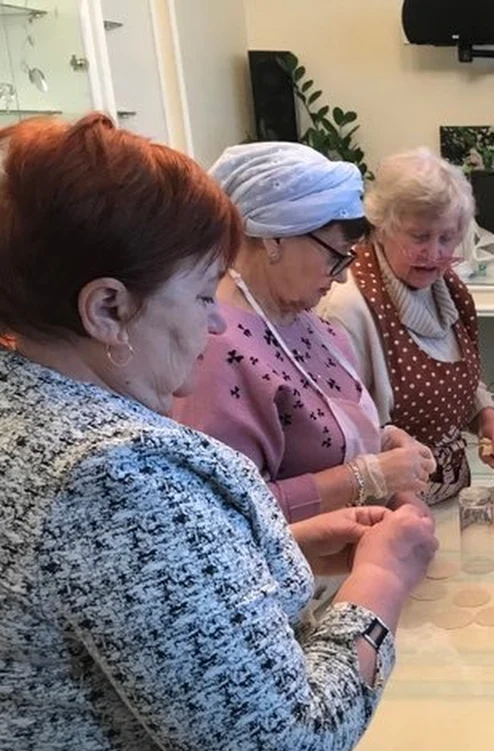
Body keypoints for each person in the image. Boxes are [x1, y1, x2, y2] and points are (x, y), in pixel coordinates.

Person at [0, 115, 438, 751]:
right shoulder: (115, 475)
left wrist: (287, 543)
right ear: (106, 308)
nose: (211, 324)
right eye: (202, 295)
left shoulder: (29, 415)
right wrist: (383, 581)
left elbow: (121, 613)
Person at [172, 142, 436, 523]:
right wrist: (364, 476)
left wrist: (381, 444)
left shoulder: (310, 322)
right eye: (335, 256)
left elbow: (314, 441)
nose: (343, 275)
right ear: (273, 238)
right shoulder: (217, 348)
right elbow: (228, 510)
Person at [318, 148, 494, 505]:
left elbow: (460, 373)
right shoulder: (348, 306)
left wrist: (488, 419)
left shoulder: (448, 288)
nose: (436, 253)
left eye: (447, 238)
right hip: (388, 513)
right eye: (420, 237)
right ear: (382, 228)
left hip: (451, 497)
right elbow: (344, 437)